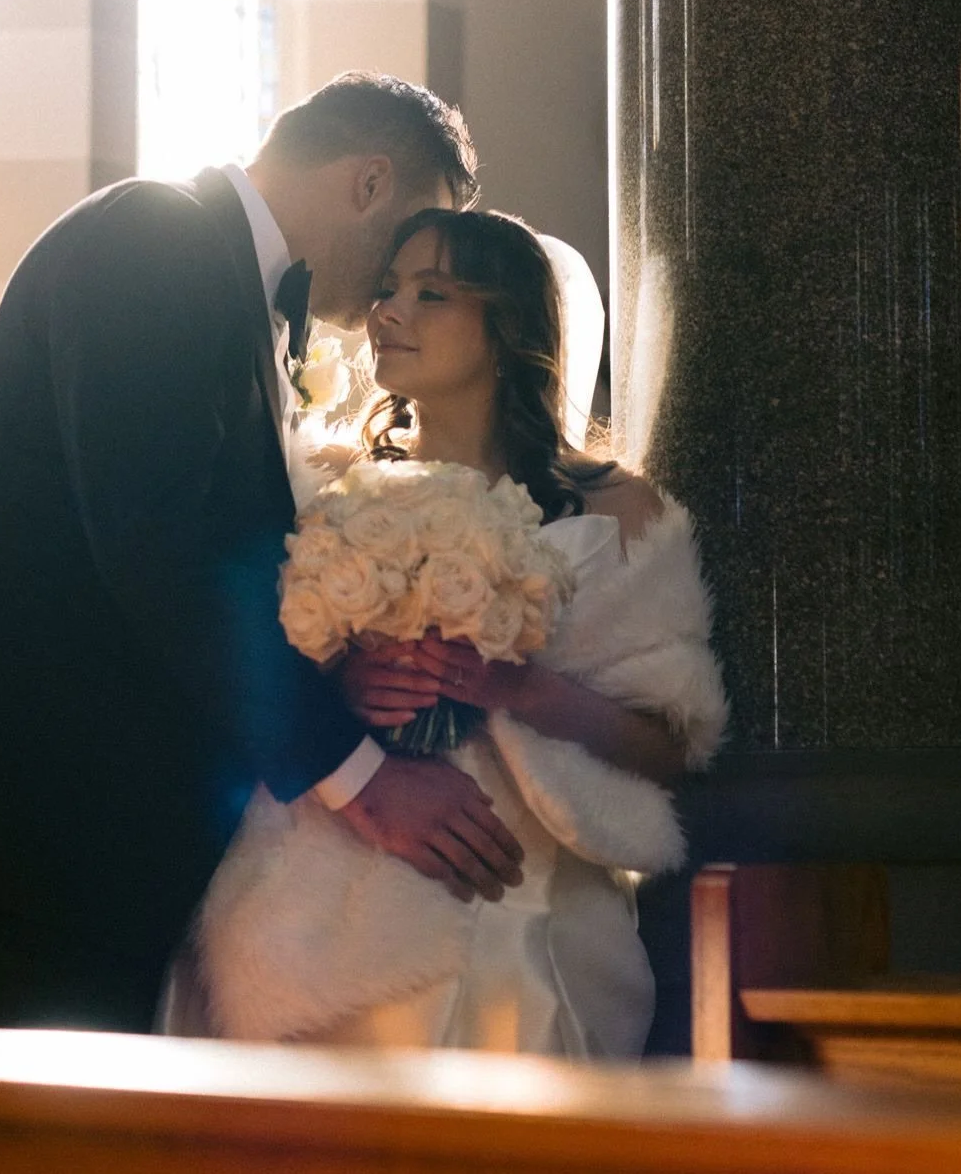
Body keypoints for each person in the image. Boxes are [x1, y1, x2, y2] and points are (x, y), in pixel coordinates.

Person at [0, 74, 526, 1030]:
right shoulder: (154, 235)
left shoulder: (218, 274)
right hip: (32, 809)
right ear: (370, 182)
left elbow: (215, 555)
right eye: (414, 226)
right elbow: (160, 541)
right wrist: (363, 778)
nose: (401, 272)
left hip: (86, 821)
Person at [181, 208, 727, 1054]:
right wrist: (347, 690)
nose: (388, 311)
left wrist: (521, 688)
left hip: (530, 887)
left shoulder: (621, 511)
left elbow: (670, 741)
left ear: (506, 327)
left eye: (431, 292)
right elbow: (250, 686)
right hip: (341, 915)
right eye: (388, 288)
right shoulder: (325, 490)